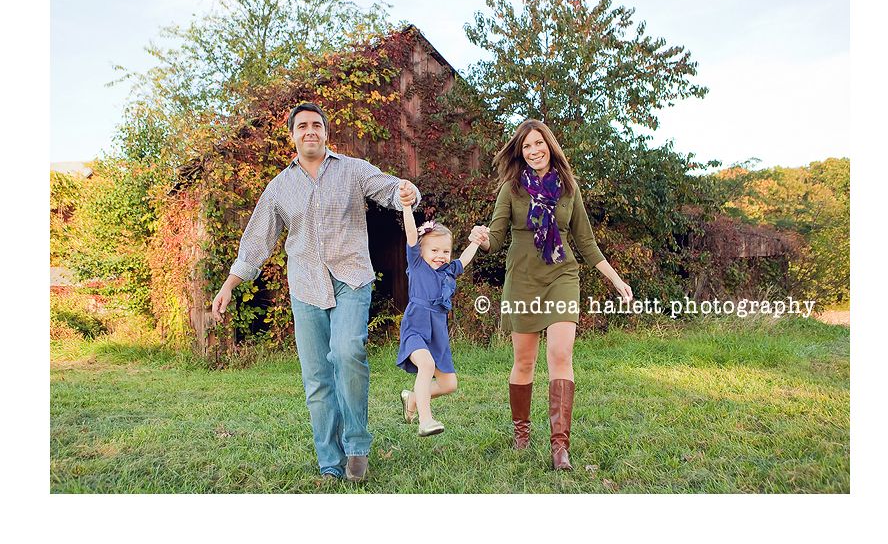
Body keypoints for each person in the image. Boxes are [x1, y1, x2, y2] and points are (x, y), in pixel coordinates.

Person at [211, 102, 420, 483]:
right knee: (318, 378)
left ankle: (356, 446)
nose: (310, 131)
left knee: (347, 351)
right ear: (292, 135)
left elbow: (390, 188)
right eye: (303, 126)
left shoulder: (353, 170)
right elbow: (257, 241)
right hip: (306, 286)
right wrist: (229, 285)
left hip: (351, 278)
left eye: (317, 125)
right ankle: (330, 461)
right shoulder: (279, 187)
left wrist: (406, 192)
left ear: (326, 133)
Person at [471, 119, 633, 471]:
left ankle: (560, 447)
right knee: (524, 362)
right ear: (521, 152)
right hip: (523, 280)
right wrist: (482, 239)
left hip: (562, 275)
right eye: (527, 146)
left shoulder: (568, 188)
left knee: (560, 354)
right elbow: (495, 239)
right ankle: (521, 434)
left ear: (549, 145)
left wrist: (616, 279)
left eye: (538, 143)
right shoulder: (512, 189)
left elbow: (586, 242)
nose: (534, 151)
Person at [395, 188, 488, 436]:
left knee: (449, 384)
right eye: (434, 250)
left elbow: (464, 260)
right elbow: (411, 234)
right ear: (422, 252)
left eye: (445, 251)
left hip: (438, 332)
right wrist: (407, 207)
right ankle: (425, 421)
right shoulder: (417, 265)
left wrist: (476, 241)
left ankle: (413, 398)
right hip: (416, 326)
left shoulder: (448, 271)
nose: (440, 256)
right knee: (425, 365)